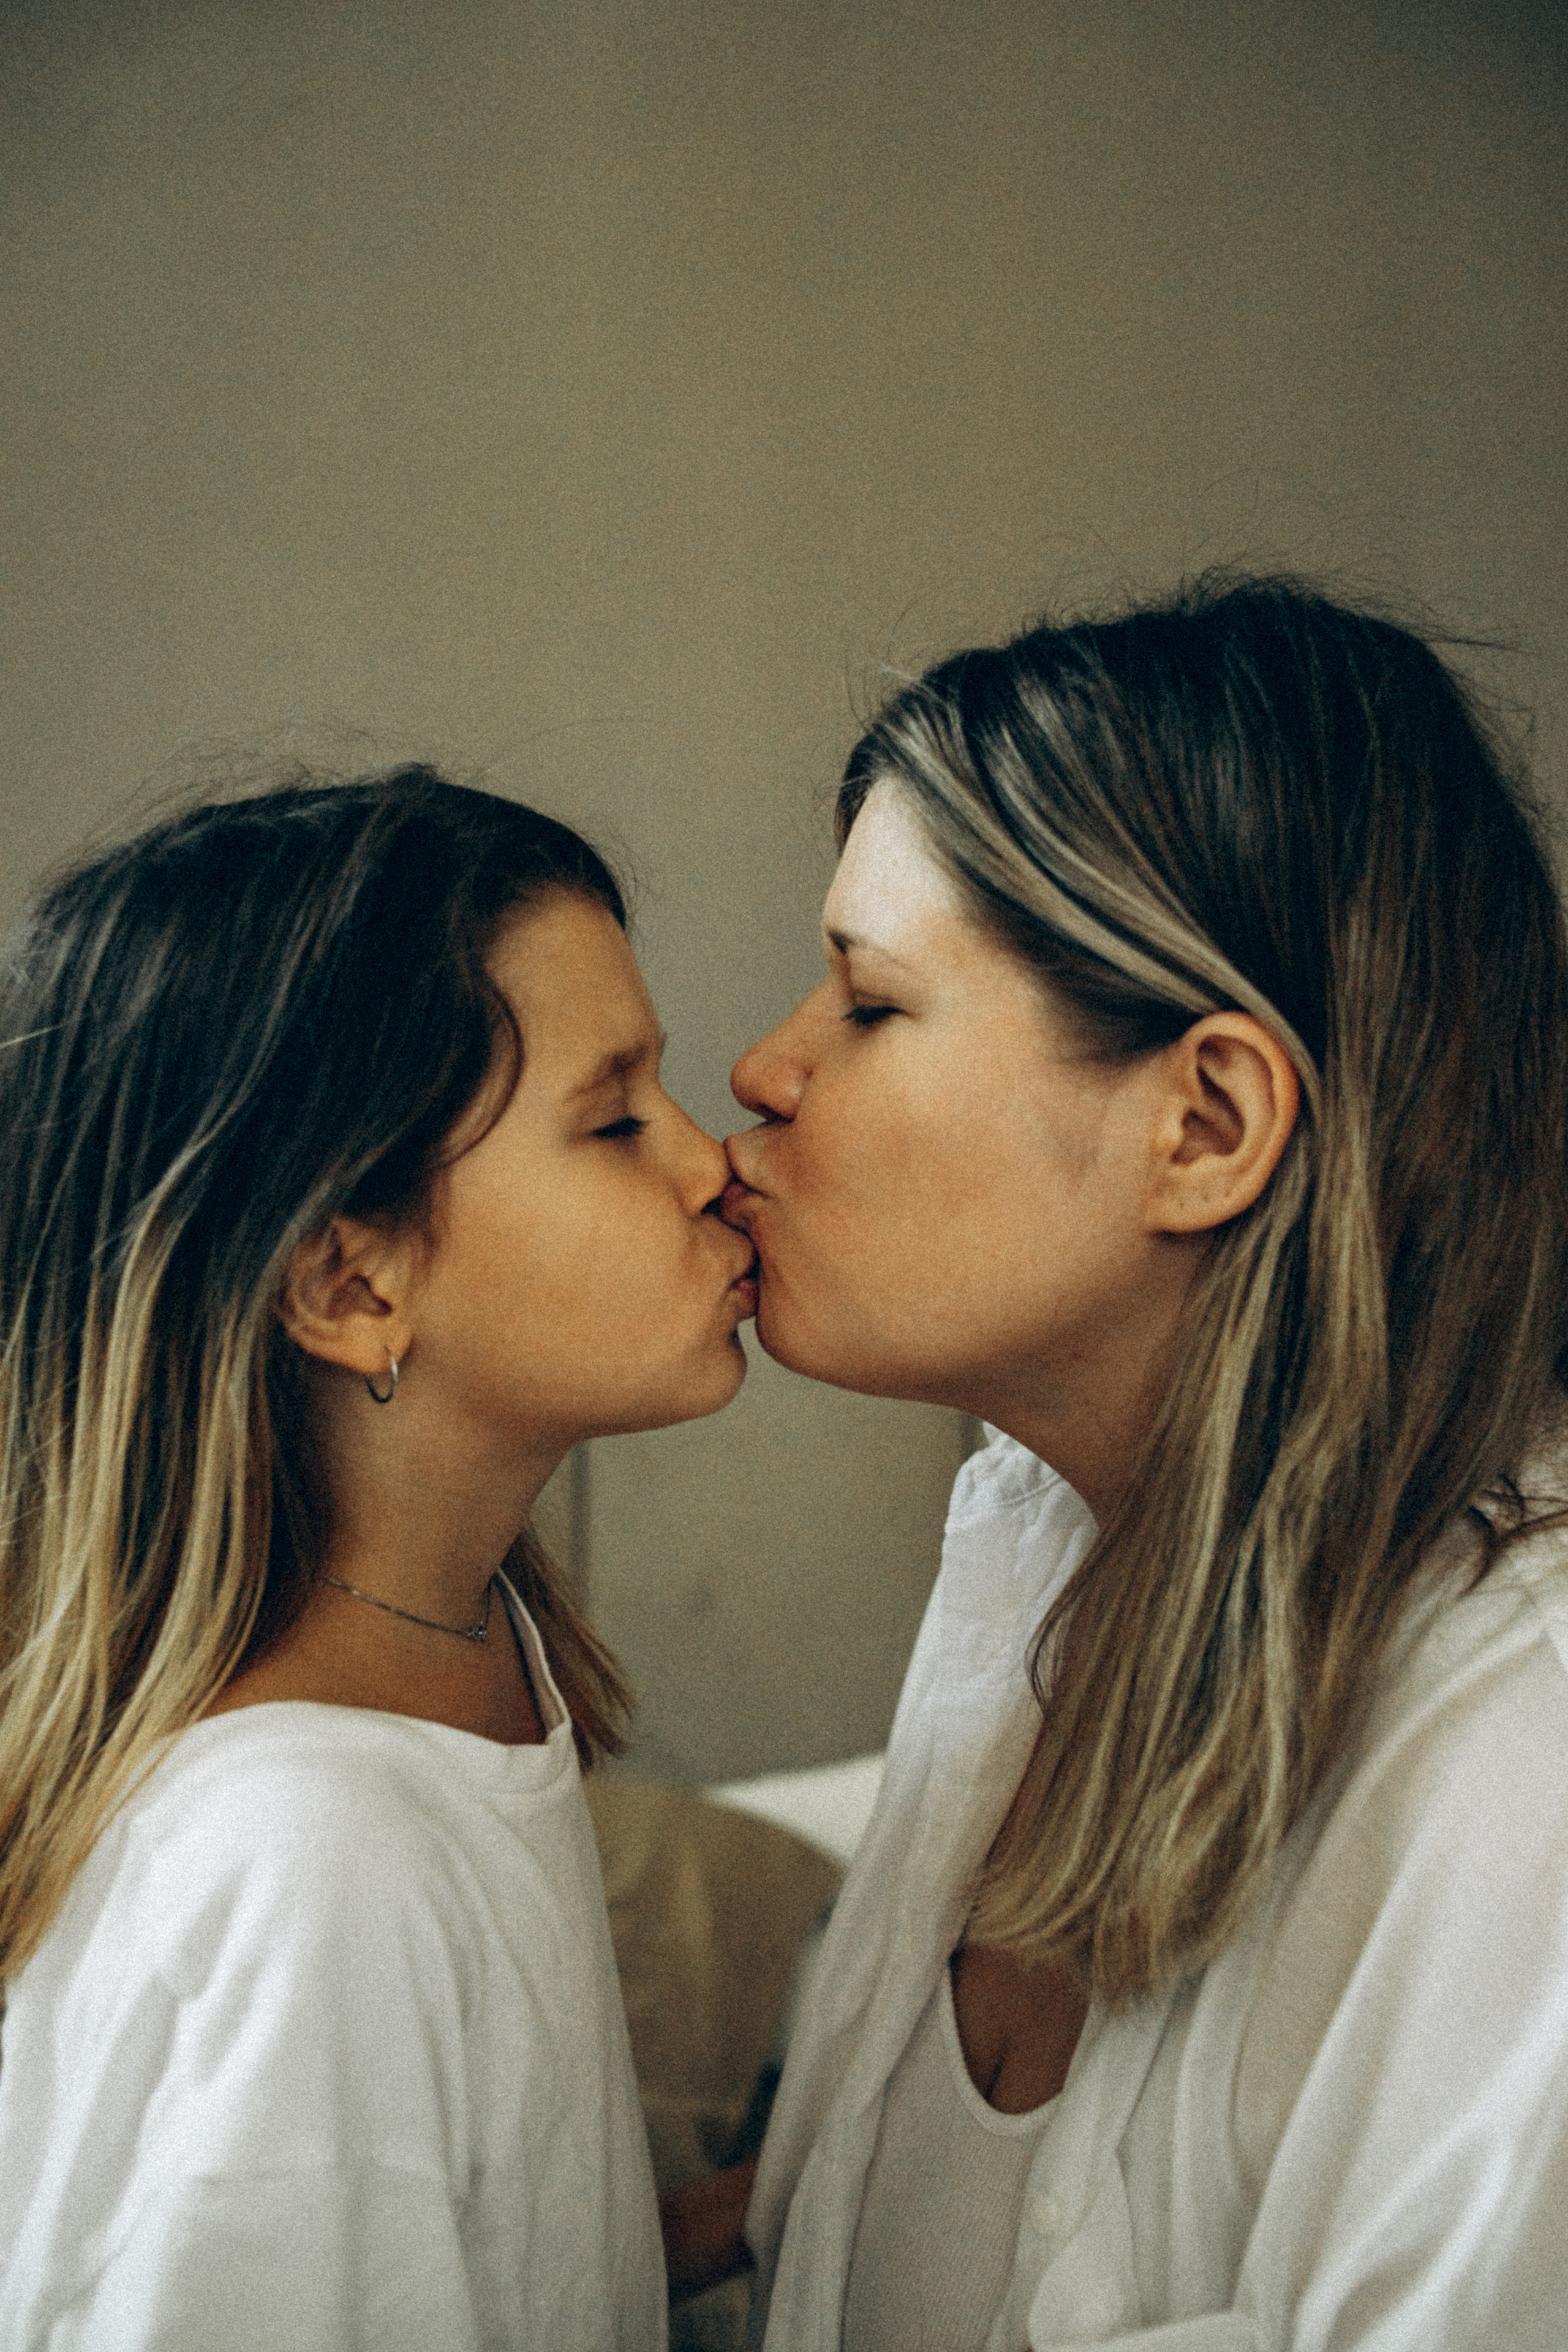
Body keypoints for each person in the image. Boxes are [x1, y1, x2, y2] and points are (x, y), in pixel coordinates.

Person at [717, 578, 1568, 2349]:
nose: (764, 1068)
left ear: (1206, 1125)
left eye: (869, 1004)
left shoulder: (1524, 1777)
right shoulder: (1039, 1538)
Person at [0, 767, 758, 2350]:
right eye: (616, 1119)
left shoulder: (459, 1649)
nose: (711, 1164)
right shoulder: (314, 1866)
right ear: (351, 1287)